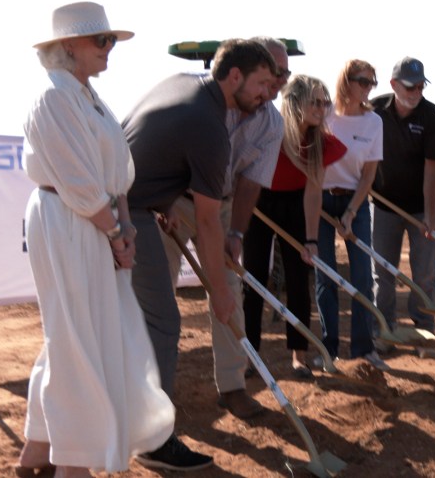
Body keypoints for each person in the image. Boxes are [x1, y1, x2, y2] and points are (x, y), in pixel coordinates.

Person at [16, 2, 176, 477]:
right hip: (66, 221)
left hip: (95, 220)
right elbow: (79, 183)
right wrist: (114, 231)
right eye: (101, 41)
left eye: (110, 41)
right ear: (70, 46)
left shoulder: (90, 98)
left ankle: (39, 452)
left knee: (82, 332)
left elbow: (117, 174)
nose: (110, 49)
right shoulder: (53, 99)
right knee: (76, 335)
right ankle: (74, 464)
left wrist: (124, 226)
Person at [122, 38, 277, 471]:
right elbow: (209, 223)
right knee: (162, 320)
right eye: (263, 83)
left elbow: (141, 149)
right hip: (121, 211)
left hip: (130, 205)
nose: (268, 93)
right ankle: (154, 437)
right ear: (234, 77)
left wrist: (162, 200)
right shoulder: (209, 126)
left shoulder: (181, 84)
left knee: (126, 318)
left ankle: (137, 419)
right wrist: (220, 294)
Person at [155, 36, 289, 415]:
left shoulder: (271, 124)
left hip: (224, 207)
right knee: (159, 293)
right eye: (273, 74)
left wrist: (237, 234)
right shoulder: (207, 103)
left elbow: (250, 183)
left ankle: (232, 386)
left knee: (228, 291)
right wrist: (162, 200)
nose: (278, 83)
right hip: (175, 201)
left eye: (284, 74)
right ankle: (153, 392)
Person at [242, 74, 347, 377]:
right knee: (254, 282)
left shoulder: (319, 142)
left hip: (295, 206)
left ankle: (298, 356)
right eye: (315, 101)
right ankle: (250, 356)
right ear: (295, 102)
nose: (322, 107)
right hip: (258, 203)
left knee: (299, 282)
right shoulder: (268, 131)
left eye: (324, 102)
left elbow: (313, 192)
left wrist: (311, 241)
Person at [370, 57, 435, 358]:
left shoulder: (434, 119)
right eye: (410, 86)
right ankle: (384, 331)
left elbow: (433, 170)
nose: (416, 91)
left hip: (422, 208)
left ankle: (424, 334)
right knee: (383, 272)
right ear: (393, 85)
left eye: (420, 86)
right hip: (385, 206)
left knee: (425, 274)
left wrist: (429, 216)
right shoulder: (374, 111)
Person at [315, 59, 389, 370]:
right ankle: (328, 350)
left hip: (355, 204)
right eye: (362, 80)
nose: (368, 87)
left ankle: (364, 349)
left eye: (372, 82)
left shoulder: (374, 123)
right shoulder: (324, 114)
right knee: (326, 277)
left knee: (361, 276)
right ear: (346, 80)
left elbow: (368, 175)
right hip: (318, 202)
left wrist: (351, 212)